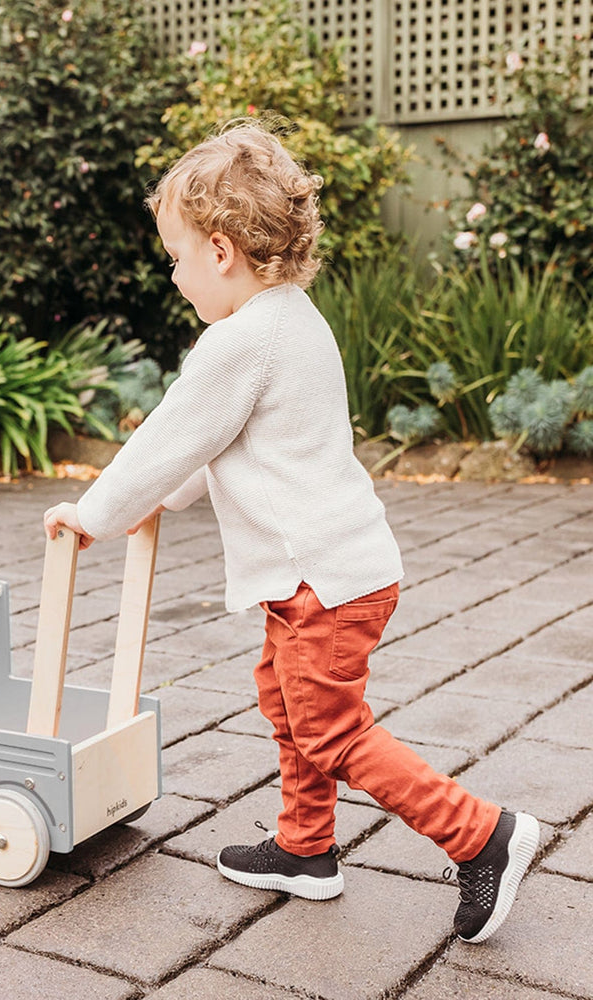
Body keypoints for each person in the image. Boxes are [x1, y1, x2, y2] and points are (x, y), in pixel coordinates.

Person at [42, 120, 539, 944]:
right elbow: (222, 445)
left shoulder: (238, 341)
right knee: (288, 700)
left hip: (321, 582)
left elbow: (171, 436)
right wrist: (160, 500)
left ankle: (481, 833)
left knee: (330, 729)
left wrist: (95, 513)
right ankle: (306, 849)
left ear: (221, 251)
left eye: (176, 257)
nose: (174, 275)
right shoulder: (293, 319)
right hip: (332, 570)